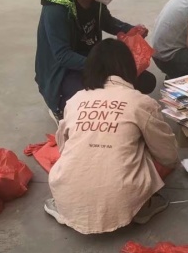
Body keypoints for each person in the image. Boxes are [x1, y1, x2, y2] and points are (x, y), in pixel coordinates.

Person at [44, 39, 178, 234]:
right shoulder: (140, 102)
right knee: (144, 144)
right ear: (128, 68)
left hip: (67, 195)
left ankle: (67, 208)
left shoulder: (75, 100)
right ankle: (142, 207)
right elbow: (168, 155)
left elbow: (63, 147)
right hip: (124, 197)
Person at [35, 0, 155, 122]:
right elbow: (63, 56)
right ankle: (58, 107)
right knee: (93, 101)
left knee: (145, 82)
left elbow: (107, 22)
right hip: (63, 72)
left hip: (92, 60)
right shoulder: (57, 8)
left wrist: (131, 30)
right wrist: (103, 66)